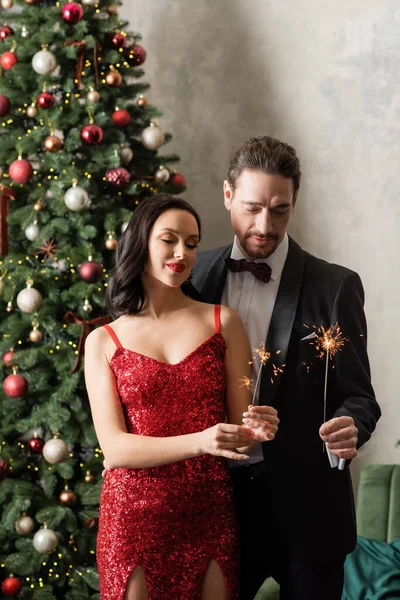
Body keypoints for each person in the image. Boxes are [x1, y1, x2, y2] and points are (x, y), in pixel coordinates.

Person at [192, 136, 381, 600]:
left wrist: (350, 424)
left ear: (294, 203)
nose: (264, 225)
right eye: (253, 207)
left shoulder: (335, 287)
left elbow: (360, 396)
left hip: (310, 511)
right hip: (218, 506)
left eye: (280, 210)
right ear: (227, 195)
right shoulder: (192, 277)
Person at [84, 194, 279, 600]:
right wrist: (201, 441)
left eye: (191, 243)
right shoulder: (103, 340)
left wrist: (258, 427)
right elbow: (115, 449)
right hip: (132, 515)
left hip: (208, 509)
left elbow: (239, 431)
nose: (181, 254)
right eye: (169, 240)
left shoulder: (223, 321)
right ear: (141, 243)